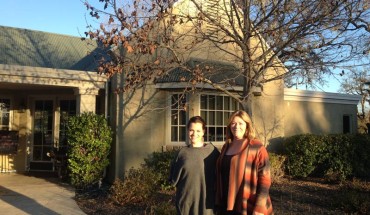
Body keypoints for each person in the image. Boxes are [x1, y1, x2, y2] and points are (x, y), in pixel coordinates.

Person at [216, 110, 273, 215]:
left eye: (240, 123)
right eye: (233, 123)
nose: (236, 126)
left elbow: (265, 179)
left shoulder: (256, 147)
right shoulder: (226, 146)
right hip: (226, 204)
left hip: (247, 205)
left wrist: (259, 207)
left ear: (247, 126)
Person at [169, 116, 220, 215]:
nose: (194, 134)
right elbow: (174, 180)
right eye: (191, 130)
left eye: (198, 130)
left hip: (206, 205)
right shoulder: (182, 153)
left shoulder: (212, 152)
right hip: (186, 205)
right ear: (188, 131)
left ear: (203, 131)